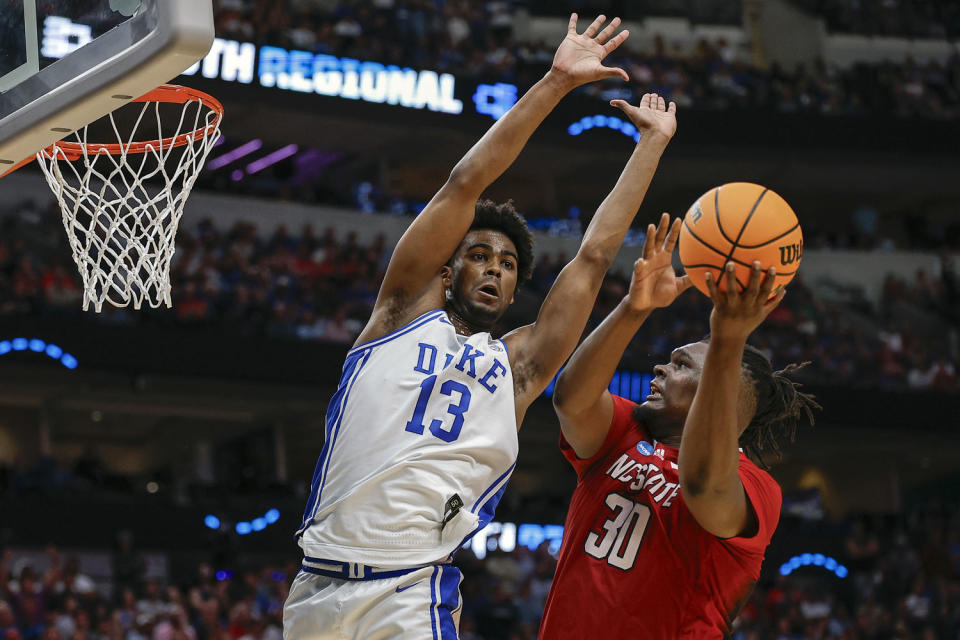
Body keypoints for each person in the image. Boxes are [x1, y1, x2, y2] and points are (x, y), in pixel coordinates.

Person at [283, 13, 679, 640]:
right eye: (480, 255)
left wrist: (650, 146)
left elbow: (595, 257)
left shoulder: (518, 366)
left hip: (410, 589)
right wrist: (553, 83)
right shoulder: (399, 312)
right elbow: (465, 182)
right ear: (446, 270)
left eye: (509, 265)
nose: (495, 269)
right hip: (315, 586)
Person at [539, 216, 819, 638]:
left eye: (681, 365)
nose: (660, 367)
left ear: (715, 389)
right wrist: (634, 308)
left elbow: (703, 484)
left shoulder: (755, 487)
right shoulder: (624, 434)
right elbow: (570, 398)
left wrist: (726, 341)